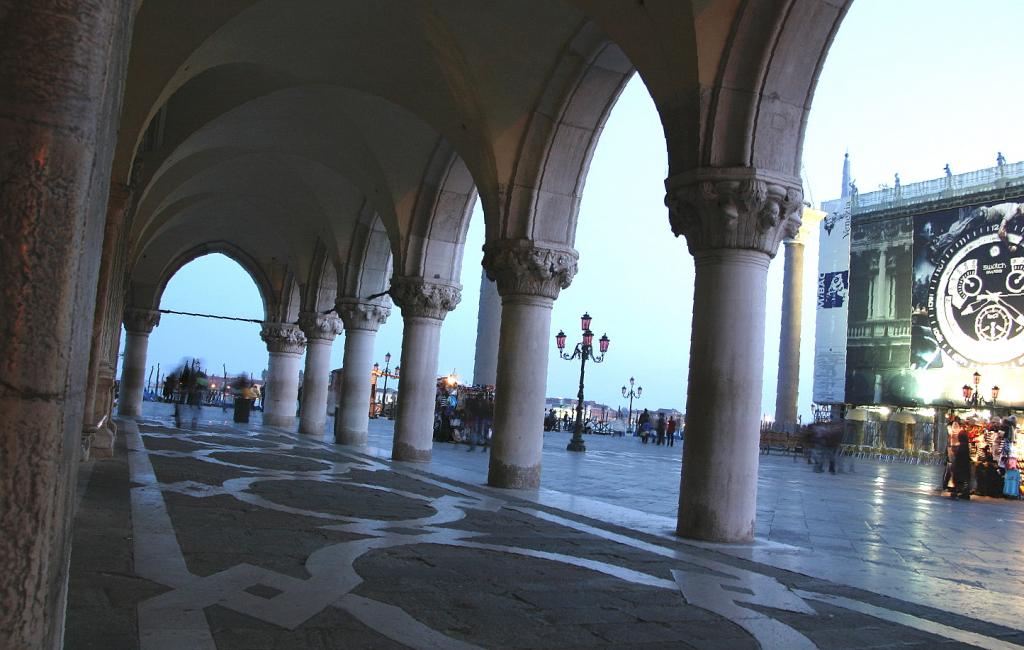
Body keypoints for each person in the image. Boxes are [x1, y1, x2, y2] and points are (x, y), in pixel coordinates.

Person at [952, 430, 972, 500]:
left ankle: (960, 492)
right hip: (965, 466)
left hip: (960, 466)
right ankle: (964, 492)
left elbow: (959, 456)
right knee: (964, 479)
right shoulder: (966, 445)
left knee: (959, 479)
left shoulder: (962, 446)